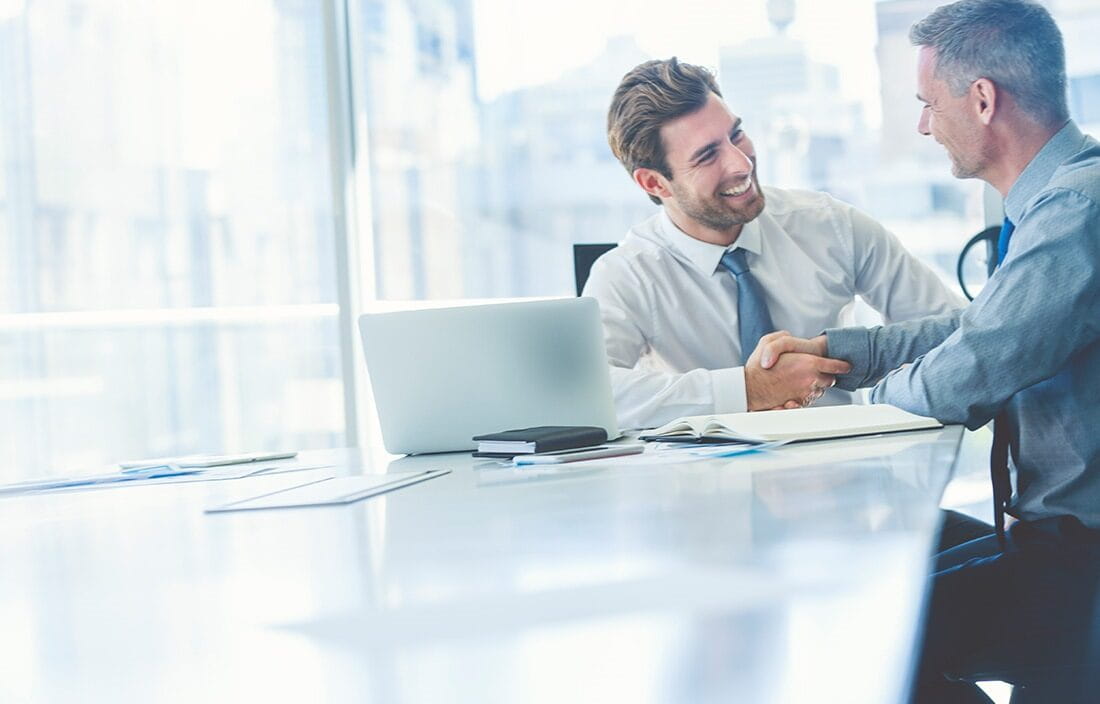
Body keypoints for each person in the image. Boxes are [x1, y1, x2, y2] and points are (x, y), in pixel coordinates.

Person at [759, 1, 1100, 700]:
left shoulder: (1076, 212)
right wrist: (837, 351)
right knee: (889, 567)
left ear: (981, 100)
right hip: (1056, 541)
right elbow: (976, 328)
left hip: (1080, 561)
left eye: (928, 103)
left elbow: (973, 366)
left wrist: (842, 426)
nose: (922, 124)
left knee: (859, 632)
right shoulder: (1057, 203)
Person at [586, 58, 963, 431]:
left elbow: (955, 333)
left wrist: (878, 390)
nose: (740, 164)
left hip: (844, 463)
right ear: (655, 183)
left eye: (735, 135)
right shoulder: (628, 273)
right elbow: (588, 396)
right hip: (707, 482)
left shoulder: (830, 225)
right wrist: (747, 390)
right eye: (706, 156)